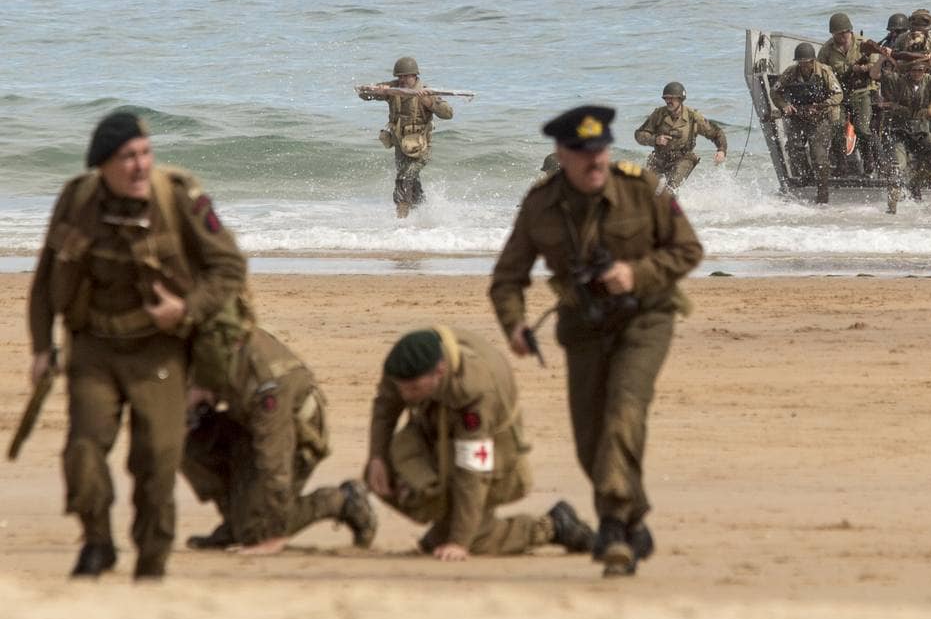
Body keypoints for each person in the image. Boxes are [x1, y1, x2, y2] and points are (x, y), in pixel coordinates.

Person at [28, 112, 248, 579]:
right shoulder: (77, 198)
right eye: (128, 157)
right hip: (94, 348)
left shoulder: (180, 198)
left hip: (159, 351)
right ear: (103, 165)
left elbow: (229, 268)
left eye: (145, 152)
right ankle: (97, 541)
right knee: (84, 450)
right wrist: (42, 348)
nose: (140, 165)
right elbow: (46, 280)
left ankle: (151, 564)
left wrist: (185, 311)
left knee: (157, 463)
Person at [489, 106, 703, 577]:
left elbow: (688, 249)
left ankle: (612, 528)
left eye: (602, 150)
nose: (596, 162)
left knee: (623, 412)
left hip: (646, 319)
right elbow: (507, 279)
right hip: (583, 326)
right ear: (561, 155)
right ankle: (635, 518)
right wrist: (515, 327)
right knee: (590, 440)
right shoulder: (540, 205)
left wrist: (637, 273)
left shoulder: (640, 189)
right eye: (584, 154)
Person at [365, 327, 597, 561]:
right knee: (382, 473)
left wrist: (459, 542)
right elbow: (385, 407)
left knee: (475, 540)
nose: (405, 395)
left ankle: (553, 526)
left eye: (413, 389)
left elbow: (473, 470)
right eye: (401, 387)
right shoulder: (404, 366)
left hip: (493, 447)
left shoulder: (475, 392)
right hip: (435, 426)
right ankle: (445, 528)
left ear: (440, 371)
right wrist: (377, 457)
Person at [180, 326, 377, 554]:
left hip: (297, 436)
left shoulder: (264, 382)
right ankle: (237, 521)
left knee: (257, 532)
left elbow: (275, 460)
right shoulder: (218, 343)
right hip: (250, 425)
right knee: (183, 440)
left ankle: (342, 500)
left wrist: (271, 532)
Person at [357, 56, 454, 218]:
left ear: (414, 76)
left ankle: (401, 221)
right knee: (412, 183)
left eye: (405, 76)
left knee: (403, 178)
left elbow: (448, 113)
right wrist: (375, 91)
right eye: (399, 76)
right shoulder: (393, 89)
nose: (401, 80)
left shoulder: (426, 91)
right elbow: (364, 95)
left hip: (421, 149)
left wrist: (429, 103)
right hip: (400, 146)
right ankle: (422, 217)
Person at [870, 44, 931, 212]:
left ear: (925, 71)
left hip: (921, 130)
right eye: (914, 70)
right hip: (899, 130)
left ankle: (915, 183)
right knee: (898, 166)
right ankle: (892, 207)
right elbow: (874, 74)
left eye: (920, 70)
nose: (917, 73)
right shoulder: (898, 80)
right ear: (908, 71)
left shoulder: (930, 81)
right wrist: (883, 57)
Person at [768, 42, 844, 204]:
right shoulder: (790, 73)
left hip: (819, 118)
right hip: (798, 116)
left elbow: (838, 95)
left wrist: (822, 105)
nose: (803, 66)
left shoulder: (824, 71)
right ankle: (806, 175)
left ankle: (822, 192)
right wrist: (784, 106)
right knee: (794, 148)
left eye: (806, 62)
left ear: (813, 61)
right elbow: (775, 91)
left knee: (819, 156)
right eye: (800, 62)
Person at [632, 82, 727, 192]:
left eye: (672, 98)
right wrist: (655, 140)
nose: (668, 101)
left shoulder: (693, 117)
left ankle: (671, 207)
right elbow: (639, 134)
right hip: (660, 158)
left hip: (684, 158)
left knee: (670, 188)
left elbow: (717, 133)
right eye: (666, 98)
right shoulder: (658, 114)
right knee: (644, 188)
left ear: (680, 99)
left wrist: (721, 150)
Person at [817, 12, 880, 177]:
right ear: (833, 34)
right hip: (840, 95)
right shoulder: (827, 49)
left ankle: (868, 160)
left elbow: (877, 67)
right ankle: (841, 164)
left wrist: (861, 68)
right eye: (839, 34)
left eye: (845, 32)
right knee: (837, 127)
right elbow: (820, 71)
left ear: (850, 31)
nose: (843, 36)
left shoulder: (864, 44)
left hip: (861, 92)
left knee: (863, 128)